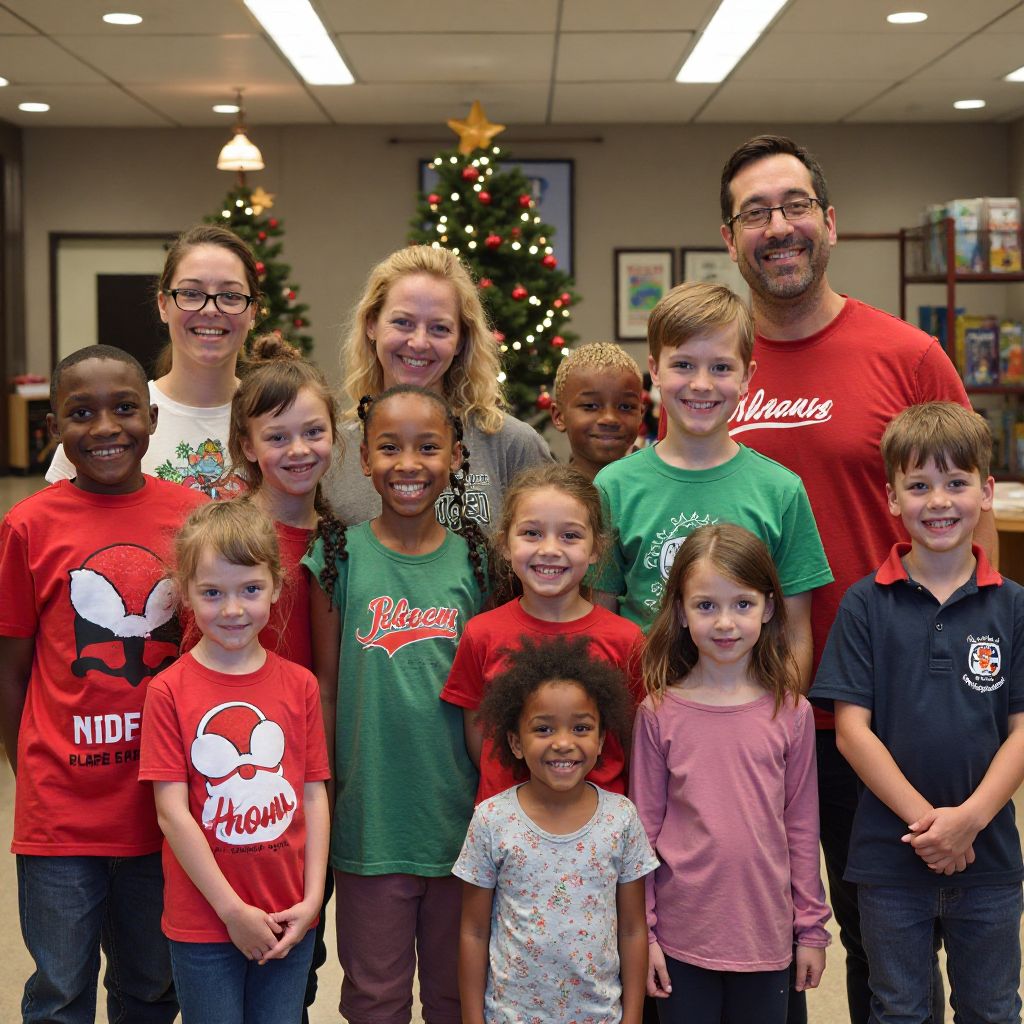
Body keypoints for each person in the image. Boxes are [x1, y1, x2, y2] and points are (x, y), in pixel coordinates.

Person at [715, 134, 997, 1023]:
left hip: (888, 714)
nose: (778, 227)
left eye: (795, 206)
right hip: (751, 711)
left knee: (890, 945)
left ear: (830, 223)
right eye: (755, 213)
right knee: (759, 939)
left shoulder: (908, 355)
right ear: (730, 239)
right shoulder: (712, 371)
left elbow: (970, 510)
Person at [0, 344, 207, 1024]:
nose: (106, 428)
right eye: (81, 413)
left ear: (152, 418)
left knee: (151, 987)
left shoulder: (192, 518)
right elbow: (11, 669)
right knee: (59, 992)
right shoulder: (28, 527)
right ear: (54, 427)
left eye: (124, 408)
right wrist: (33, 774)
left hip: (162, 806)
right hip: (61, 814)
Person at [810, 402, 1024, 1024]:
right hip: (889, 859)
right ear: (891, 498)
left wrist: (969, 822)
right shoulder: (863, 604)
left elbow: (1021, 731)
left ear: (986, 492)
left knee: (992, 1008)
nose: (939, 501)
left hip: (988, 858)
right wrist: (930, 826)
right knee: (899, 1009)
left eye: (956, 482)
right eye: (920, 485)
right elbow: (851, 732)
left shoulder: (1013, 606)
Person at [301, 385, 489, 1024]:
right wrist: (326, 794)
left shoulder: (476, 561)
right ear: (364, 459)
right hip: (370, 820)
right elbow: (326, 685)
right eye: (389, 447)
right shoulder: (337, 556)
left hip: (457, 822)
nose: (408, 464)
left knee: (454, 995)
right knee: (375, 997)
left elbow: (488, 695)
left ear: (455, 457)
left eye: (428, 447)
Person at [138, 498, 331, 1024]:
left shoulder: (300, 685)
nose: (232, 609)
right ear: (185, 593)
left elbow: (313, 795)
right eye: (212, 593)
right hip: (204, 921)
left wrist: (313, 900)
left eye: (249, 589)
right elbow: (172, 813)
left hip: (288, 915)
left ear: (276, 586)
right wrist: (231, 912)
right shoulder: (168, 692)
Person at [631, 522, 830, 1024]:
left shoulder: (793, 713)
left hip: (766, 936)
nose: (725, 623)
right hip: (680, 939)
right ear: (680, 612)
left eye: (742, 604)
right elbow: (642, 835)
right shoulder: (657, 713)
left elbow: (802, 828)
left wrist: (811, 929)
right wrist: (645, 935)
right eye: (706, 605)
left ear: (768, 608)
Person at [593, 281, 832, 689]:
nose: (701, 384)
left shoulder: (781, 491)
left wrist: (781, 717)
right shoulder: (613, 487)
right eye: (683, 365)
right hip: (642, 710)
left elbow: (794, 633)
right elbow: (600, 621)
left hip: (750, 715)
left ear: (747, 376)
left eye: (721, 367)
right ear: (655, 370)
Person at [226, 333, 344, 1023]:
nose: (298, 450)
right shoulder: (228, 541)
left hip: (306, 786)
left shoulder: (342, 542)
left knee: (296, 964)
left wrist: (320, 786)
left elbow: (331, 678)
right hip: (229, 782)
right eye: (277, 436)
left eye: (313, 432)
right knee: (218, 958)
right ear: (246, 445)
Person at [454, 634, 658, 1024]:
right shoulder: (492, 820)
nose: (563, 743)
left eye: (581, 728)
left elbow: (633, 930)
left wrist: (633, 1017)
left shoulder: (621, 818)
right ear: (515, 742)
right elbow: (474, 932)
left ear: (601, 740)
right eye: (544, 729)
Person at [442, 463, 644, 803]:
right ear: (505, 543)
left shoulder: (626, 640)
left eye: (570, 535)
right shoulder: (481, 634)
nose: (550, 549)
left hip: (600, 823)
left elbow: (633, 741)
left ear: (596, 549)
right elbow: (479, 737)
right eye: (532, 533)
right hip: (506, 822)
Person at [324, 244, 551, 530]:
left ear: (461, 341)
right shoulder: (333, 451)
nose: (419, 343)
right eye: (403, 322)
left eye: (439, 328)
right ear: (372, 325)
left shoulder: (510, 444)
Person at [46, 224, 260, 497]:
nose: (210, 309)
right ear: (163, 304)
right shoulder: (115, 415)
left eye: (230, 296)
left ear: (253, 312)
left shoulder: (275, 416)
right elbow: (62, 516)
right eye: (191, 293)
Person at [549, 341, 645, 481]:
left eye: (625, 407)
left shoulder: (656, 484)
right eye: (591, 406)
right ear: (558, 416)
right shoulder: (550, 491)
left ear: (641, 414)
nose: (610, 419)